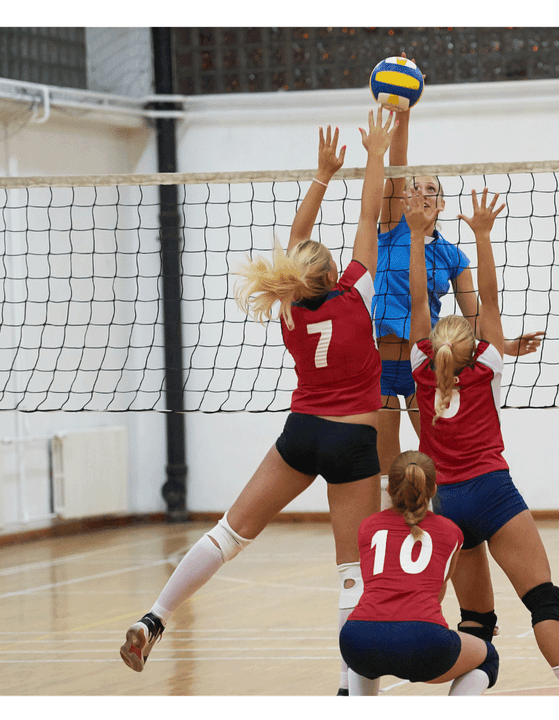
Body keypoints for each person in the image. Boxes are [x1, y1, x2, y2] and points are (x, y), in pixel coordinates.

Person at [120, 109, 397, 685]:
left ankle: (156, 615)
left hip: (301, 434)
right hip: (352, 438)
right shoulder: (356, 294)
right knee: (353, 574)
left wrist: (322, 173)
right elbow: (370, 212)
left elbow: (297, 241)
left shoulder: (289, 306)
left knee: (228, 533)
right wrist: (378, 152)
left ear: (295, 275)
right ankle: (354, 694)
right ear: (335, 274)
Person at [404, 187, 559, 697]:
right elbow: (488, 299)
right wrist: (483, 234)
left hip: (443, 502)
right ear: (472, 347)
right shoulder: (488, 363)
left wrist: (418, 236)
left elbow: (418, 298)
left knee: (475, 622)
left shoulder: (421, 366)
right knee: (544, 601)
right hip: (493, 491)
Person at [374, 84, 544, 485]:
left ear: (442, 203)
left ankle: (450, 528)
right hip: (379, 362)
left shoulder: (452, 255)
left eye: (431, 189)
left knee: (435, 461)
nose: (421, 192)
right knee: (384, 472)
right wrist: (404, 111)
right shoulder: (390, 228)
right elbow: (397, 164)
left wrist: (505, 345)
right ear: (403, 198)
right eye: (414, 187)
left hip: (425, 363)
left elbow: (476, 314)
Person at [339, 451, 500, 696]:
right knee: (487, 657)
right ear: (433, 489)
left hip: (357, 638)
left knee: (367, 654)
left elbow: (378, 584)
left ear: (390, 490)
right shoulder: (451, 532)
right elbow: (437, 592)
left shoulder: (367, 527)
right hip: (423, 641)